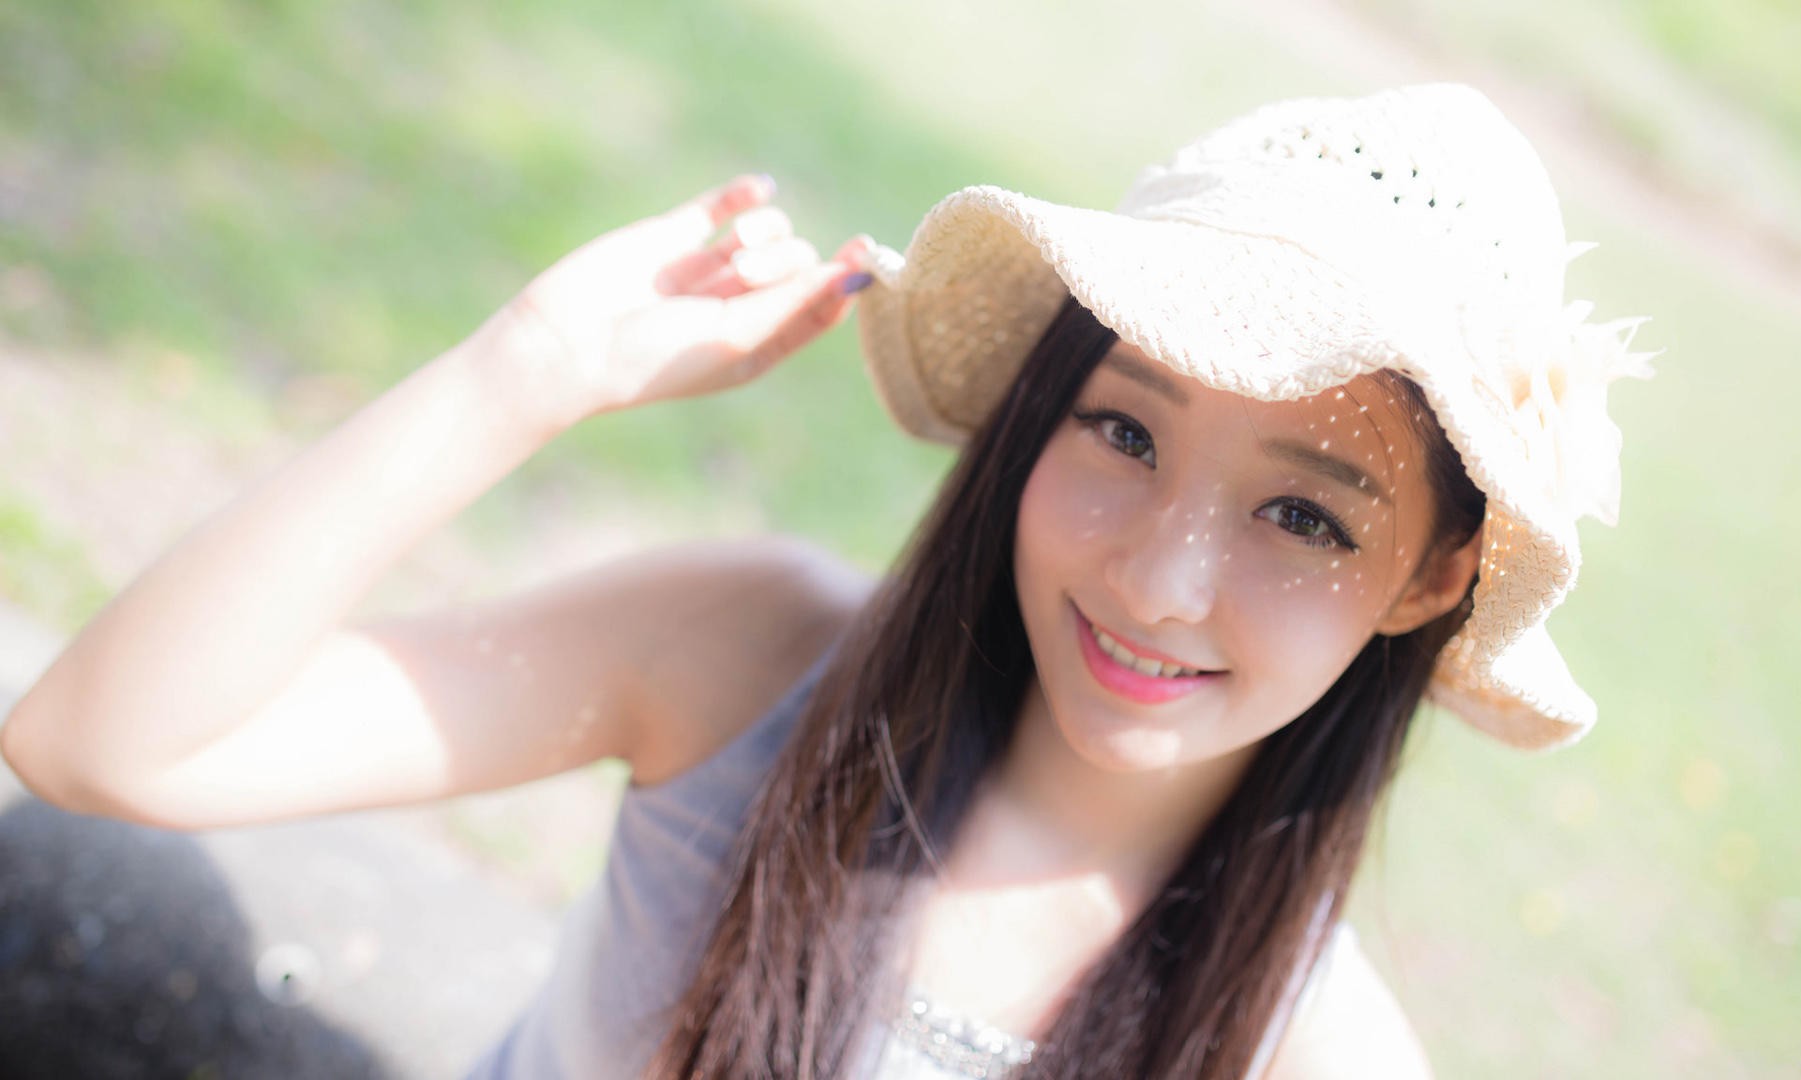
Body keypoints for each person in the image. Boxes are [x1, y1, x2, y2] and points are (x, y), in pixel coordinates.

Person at [1, 84, 1654, 1079]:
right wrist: (525, 375)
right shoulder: (750, 661)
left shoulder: (1313, 1051)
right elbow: (102, 743)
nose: (1161, 578)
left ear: (1430, 579)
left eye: (1304, 517)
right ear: (1036, 416)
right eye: (1123, 432)